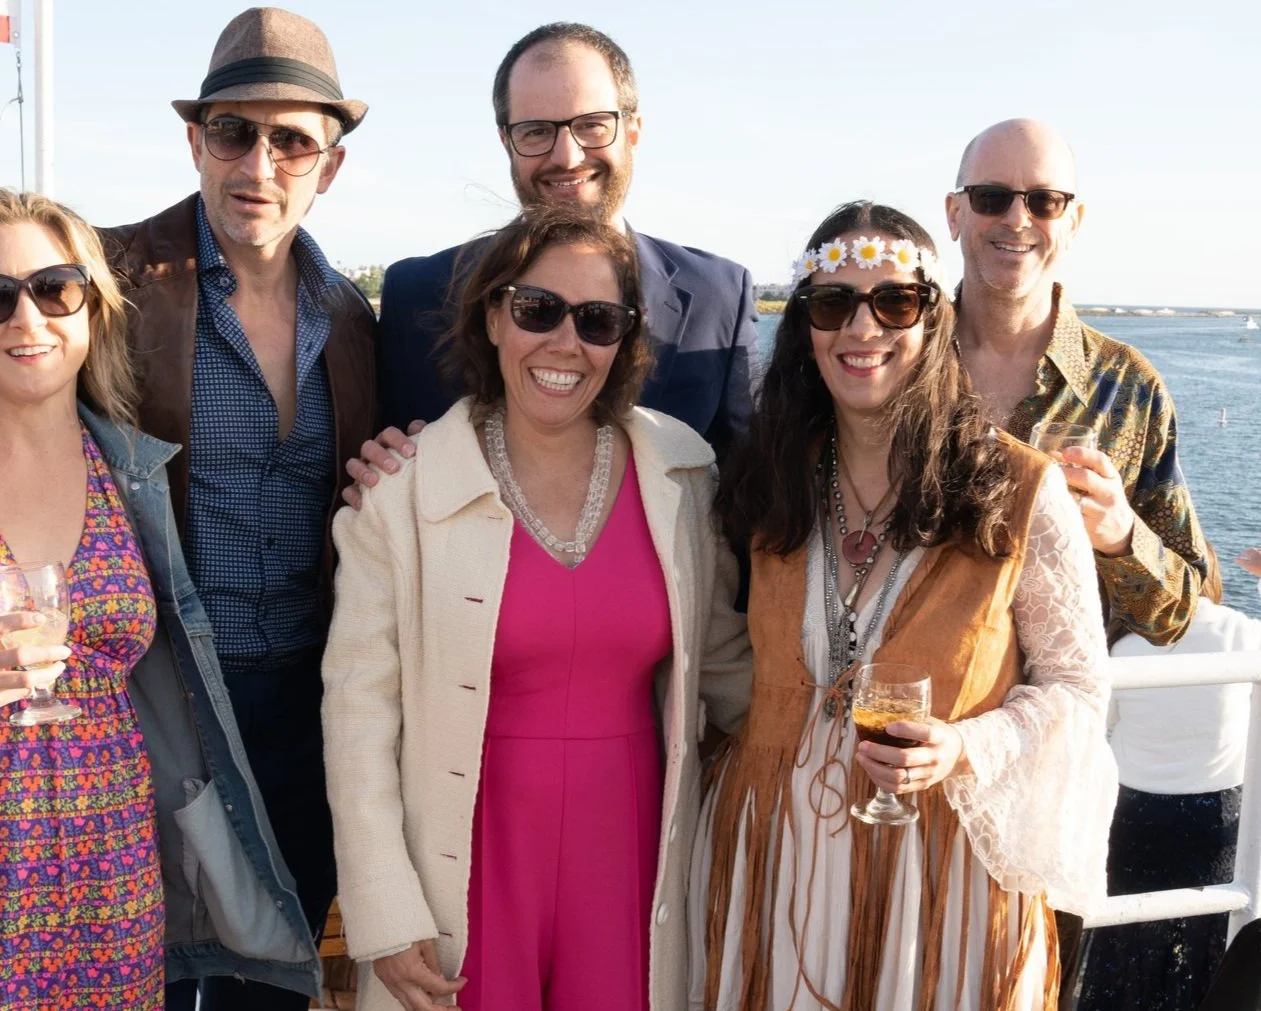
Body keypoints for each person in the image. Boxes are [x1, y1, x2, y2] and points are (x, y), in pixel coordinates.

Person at [0, 10, 377, 1008]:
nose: (259, 162)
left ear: (330, 164)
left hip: (303, 708)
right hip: (168, 696)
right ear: (195, 139)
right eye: (233, 131)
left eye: (292, 140)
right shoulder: (99, 277)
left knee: (270, 968)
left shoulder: (354, 315)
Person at [321, 209, 751, 1011]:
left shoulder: (683, 476)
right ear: (492, 316)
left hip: (629, 856)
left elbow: (729, 671)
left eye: (596, 320)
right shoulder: (400, 494)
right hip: (466, 855)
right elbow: (357, 718)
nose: (564, 342)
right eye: (536, 309)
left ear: (623, 340)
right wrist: (383, 907)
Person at [691, 202, 1118, 1010]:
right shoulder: (762, 481)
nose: (863, 327)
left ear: (932, 320)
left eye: (893, 302)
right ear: (804, 327)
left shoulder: (1017, 489)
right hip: (772, 851)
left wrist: (961, 745)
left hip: (939, 871)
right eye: (832, 303)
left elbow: (1077, 689)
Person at [349, 22, 758, 505]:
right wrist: (379, 479)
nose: (567, 156)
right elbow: (383, 472)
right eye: (536, 131)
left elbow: (749, 496)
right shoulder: (416, 293)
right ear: (507, 143)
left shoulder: (719, 297)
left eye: (591, 125)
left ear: (633, 131)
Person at [947, 118, 1207, 647]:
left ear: (1074, 220)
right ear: (955, 213)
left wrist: (1121, 537)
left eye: (1045, 201)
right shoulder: (898, 364)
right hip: (906, 708)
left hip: (1056, 720)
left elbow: (1183, 614)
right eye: (991, 197)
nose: (1018, 219)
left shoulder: (1129, 388)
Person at [1075, 549, 1259, 1010]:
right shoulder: (1242, 633)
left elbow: (1103, 720)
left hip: (1135, 812)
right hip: (1215, 816)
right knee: (1206, 934)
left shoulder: (1124, 645)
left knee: (1129, 935)